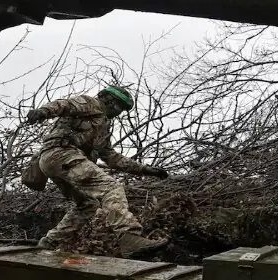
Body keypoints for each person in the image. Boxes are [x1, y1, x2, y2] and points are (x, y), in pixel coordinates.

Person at [24, 85, 170, 257]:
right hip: (61, 154)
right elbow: (64, 105)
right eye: (119, 105)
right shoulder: (90, 103)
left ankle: (48, 243)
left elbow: (110, 157)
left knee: (87, 205)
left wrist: (145, 170)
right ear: (107, 99)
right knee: (111, 188)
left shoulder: (103, 126)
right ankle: (129, 237)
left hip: (60, 161)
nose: (119, 111)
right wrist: (43, 111)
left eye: (122, 109)